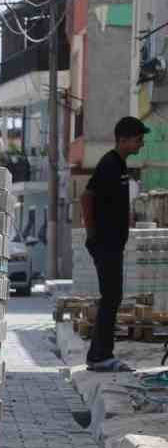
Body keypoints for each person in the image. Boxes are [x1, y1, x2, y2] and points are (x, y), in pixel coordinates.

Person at [82, 115, 149, 372]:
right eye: (138, 139)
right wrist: (92, 237)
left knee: (112, 296)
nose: (141, 144)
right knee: (111, 296)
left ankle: (99, 354)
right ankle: (100, 356)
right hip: (105, 244)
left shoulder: (120, 166)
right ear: (123, 139)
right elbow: (88, 197)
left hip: (113, 244)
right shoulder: (109, 164)